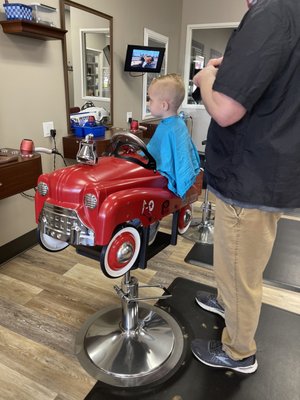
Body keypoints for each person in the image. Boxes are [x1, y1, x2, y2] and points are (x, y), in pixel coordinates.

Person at [191, 0, 300, 374]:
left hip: (249, 175)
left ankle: (239, 352)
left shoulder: (272, 12)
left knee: (240, 269)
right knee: (235, 259)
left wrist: (205, 79)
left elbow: (224, 110)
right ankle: (226, 301)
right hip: (262, 172)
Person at [146, 73, 200, 198]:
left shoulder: (175, 129)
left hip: (163, 182)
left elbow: (180, 161)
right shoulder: (167, 124)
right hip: (156, 175)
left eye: (151, 100)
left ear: (164, 105)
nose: (149, 104)